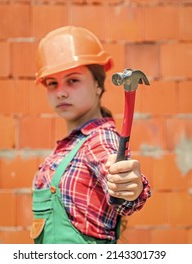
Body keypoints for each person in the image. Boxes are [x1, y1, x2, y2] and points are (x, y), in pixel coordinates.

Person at [30, 26, 151, 244]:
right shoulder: (71, 145)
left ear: (98, 84)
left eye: (73, 80)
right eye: (52, 83)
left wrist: (129, 186)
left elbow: (121, 189)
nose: (61, 92)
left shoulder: (99, 139)